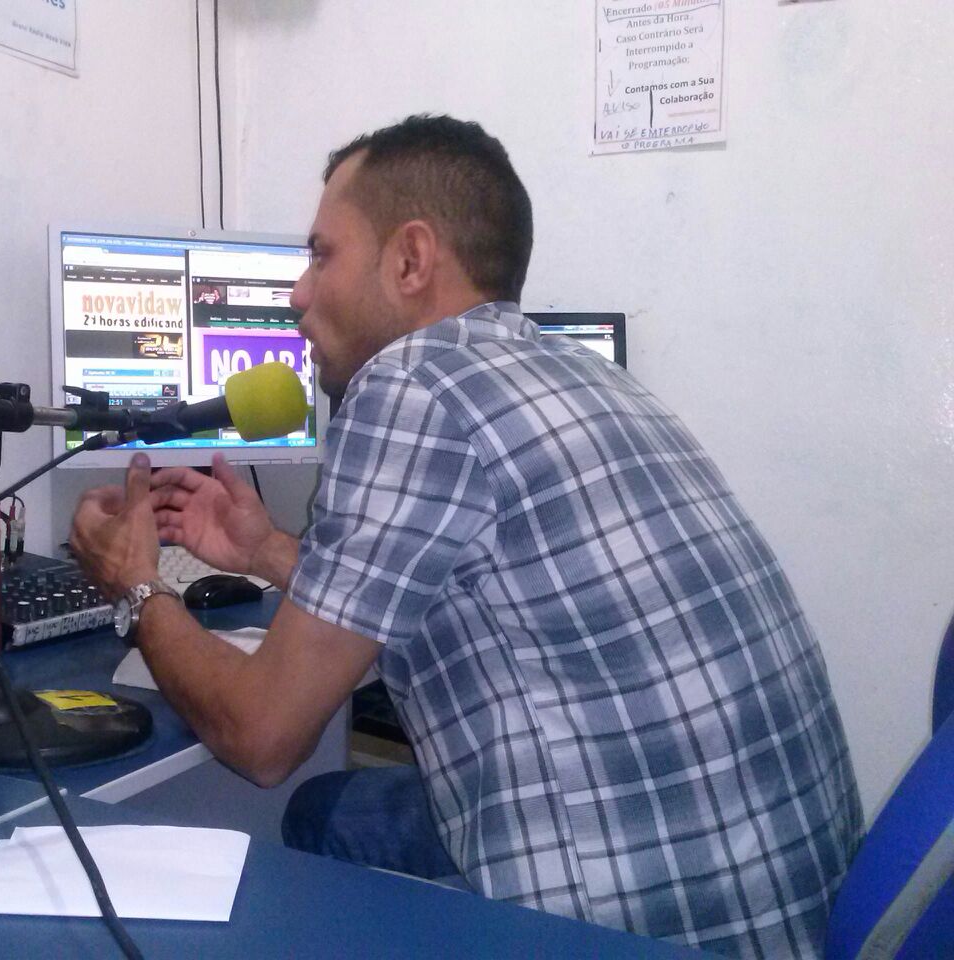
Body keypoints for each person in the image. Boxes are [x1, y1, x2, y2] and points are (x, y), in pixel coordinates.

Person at [69, 115, 862, 958]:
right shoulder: (576, 370)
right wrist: (266, 551)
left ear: (410, 260)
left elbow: (261, 738)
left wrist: (136, 586)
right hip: (785, 905)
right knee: (328, 814)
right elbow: (460, 585)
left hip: (645, 930)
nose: (298, 293)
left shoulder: (410, 385)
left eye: (322, 255)